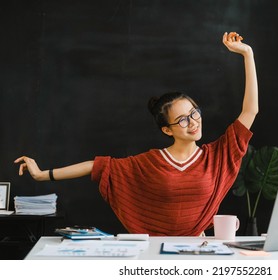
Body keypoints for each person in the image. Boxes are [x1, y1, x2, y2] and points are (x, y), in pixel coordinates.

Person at [14, 31, 258, 236]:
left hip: (197, 251)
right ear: (166, 129)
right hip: (153, 252)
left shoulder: (216, 156)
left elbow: (250, 110)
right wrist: (41, 175)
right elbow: (97, 166)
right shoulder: (152, 162)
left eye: (195, 113)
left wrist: (247, 54)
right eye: (182, 119)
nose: (193, 122)